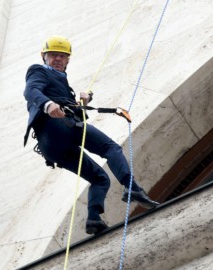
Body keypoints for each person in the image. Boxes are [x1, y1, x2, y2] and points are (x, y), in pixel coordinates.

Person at [23, 35, 159, 235]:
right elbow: (31, 90)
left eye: (63, 56)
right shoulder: (38, 70)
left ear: (68, 60)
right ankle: (132, 188)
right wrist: (48, 104)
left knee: (100, 178)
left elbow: (74, 113)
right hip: (58, 127)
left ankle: (93, 220)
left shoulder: (61, 82)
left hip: (52, 146)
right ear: (44, 57)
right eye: (54, 55)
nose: (58, 59)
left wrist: (83, 103)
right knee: (110, 148)